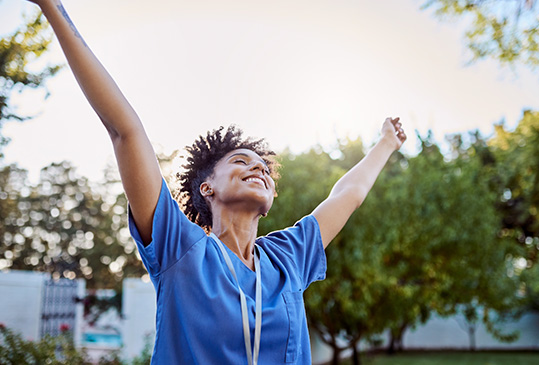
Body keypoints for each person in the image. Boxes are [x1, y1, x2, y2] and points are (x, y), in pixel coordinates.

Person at [25, 0, 406, 364]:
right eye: (242, 162)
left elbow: (347, 194)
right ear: (207, 187)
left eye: (265, 170)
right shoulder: (181, 248)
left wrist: (387, 143)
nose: (259, 170)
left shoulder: (288, 257)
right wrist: (54, 9)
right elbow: (125, 130)